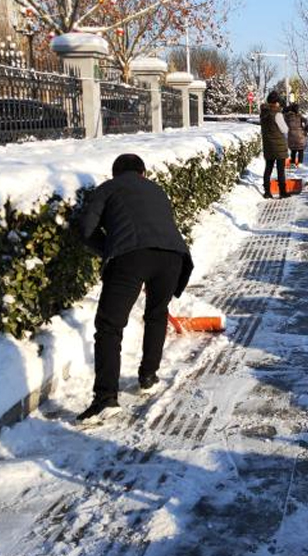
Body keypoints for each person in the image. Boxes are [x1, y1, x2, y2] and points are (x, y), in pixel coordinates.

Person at [77, 153, 194, 424]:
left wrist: (110, 248)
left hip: (130, 256)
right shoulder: (157, 189)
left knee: (109, 326)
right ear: (143, 172)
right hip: (173, 256)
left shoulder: (107, 188)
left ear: (115, 173)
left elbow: (85, 229)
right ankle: (149, 376)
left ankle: (106, 399)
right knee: (157, 314)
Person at [260, 91, 290, 199]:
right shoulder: (277, 114)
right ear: (276, 102)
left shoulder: (263, 113)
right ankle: (283, 192)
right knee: (280, 170)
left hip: (268, 145)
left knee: (268, 168)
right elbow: (285, 129)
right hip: (279, 146)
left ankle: (267, 192)